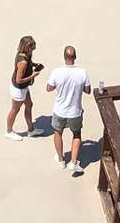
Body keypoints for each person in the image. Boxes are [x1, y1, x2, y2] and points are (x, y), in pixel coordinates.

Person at [44, 45, 93, 176]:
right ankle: (73, 162)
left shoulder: (57, 72)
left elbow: (48, 88)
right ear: (75, 57)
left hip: (59, 111)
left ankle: (61, 160)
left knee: (57, 132)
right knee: (76, 134)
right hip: (75, 111)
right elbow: (88, 91)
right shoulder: (83, 72)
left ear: (64, 57)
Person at [7, 37, 43, 140]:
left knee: (29, 105)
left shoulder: (23, 54)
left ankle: (31, 130)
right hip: (19, 89)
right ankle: (9, 131)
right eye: (32, 46)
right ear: (27, 47)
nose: (34, 47)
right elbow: (19, 80)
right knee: (15, 110)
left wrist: (35, 65)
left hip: (23, 87)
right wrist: (33, 76)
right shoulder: (23, 62)